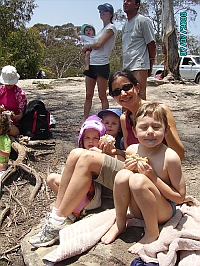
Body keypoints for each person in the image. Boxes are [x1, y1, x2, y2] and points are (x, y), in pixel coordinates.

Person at [29, 69, 184, 248]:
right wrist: (110, 152)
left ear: (137, 86)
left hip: (154, 178)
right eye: (116, 91)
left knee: (87, 158)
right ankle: (58, 215)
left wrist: (167, 130)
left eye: (127, 87)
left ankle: (59, 220)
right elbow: (130, 154)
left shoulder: (159, 111)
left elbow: (179, 155)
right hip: (135, 172)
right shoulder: (125, 118)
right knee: (76, 153)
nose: (123, 94)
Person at [101, 102, 186, 254]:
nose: (150, 132)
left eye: (156, 127)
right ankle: (120, 223)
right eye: (144, 127)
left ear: (166, 130)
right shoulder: (132, 150)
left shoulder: (170, 157)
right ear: (134, 130)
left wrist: (153, 178)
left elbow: (180, 198)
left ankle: (152, 232)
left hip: (164, 211)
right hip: (137, 209)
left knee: (138, 180)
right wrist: (118, 156)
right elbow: (125, 168)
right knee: (123, 175)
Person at [47, 115, 106, 217]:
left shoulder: (100, 156)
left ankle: (71, 211)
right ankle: (67, 208)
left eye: (95, 138)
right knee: (51, 178)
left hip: (90, 195)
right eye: (87, 138)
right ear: (81, 140)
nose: (91, 141)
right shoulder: (77, 154)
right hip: (74, 188)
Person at [82, 3, 117, 121]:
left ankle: (105, 121)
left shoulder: (111, 28)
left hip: (102, 64)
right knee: (88, 95)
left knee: (102, 95)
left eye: (104, 11)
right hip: (92, 64)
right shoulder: (101, 30)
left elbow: (99, 44)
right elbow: (95, 44)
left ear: (111, 14)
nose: (101, 12)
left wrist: (87, 46)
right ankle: (85, 120)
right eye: (100, 11)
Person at [122, 0, 156, 100]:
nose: (125, 2)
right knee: (126, 95)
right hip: (127, 65)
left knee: (139, 93)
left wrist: (150, 64)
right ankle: (127, 116)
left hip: (139, 64)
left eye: (129, 1)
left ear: (137, 5)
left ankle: (141, 116)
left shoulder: (143, 21)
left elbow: (152, 44)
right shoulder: (125, 25)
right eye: (124, 0)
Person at [0, 65, 27, 136]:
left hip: (13, 125)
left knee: (7, 128)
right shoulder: (0, 91)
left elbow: (20, 115)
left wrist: (14, 117)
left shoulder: (20, 94)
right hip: (1, 120)